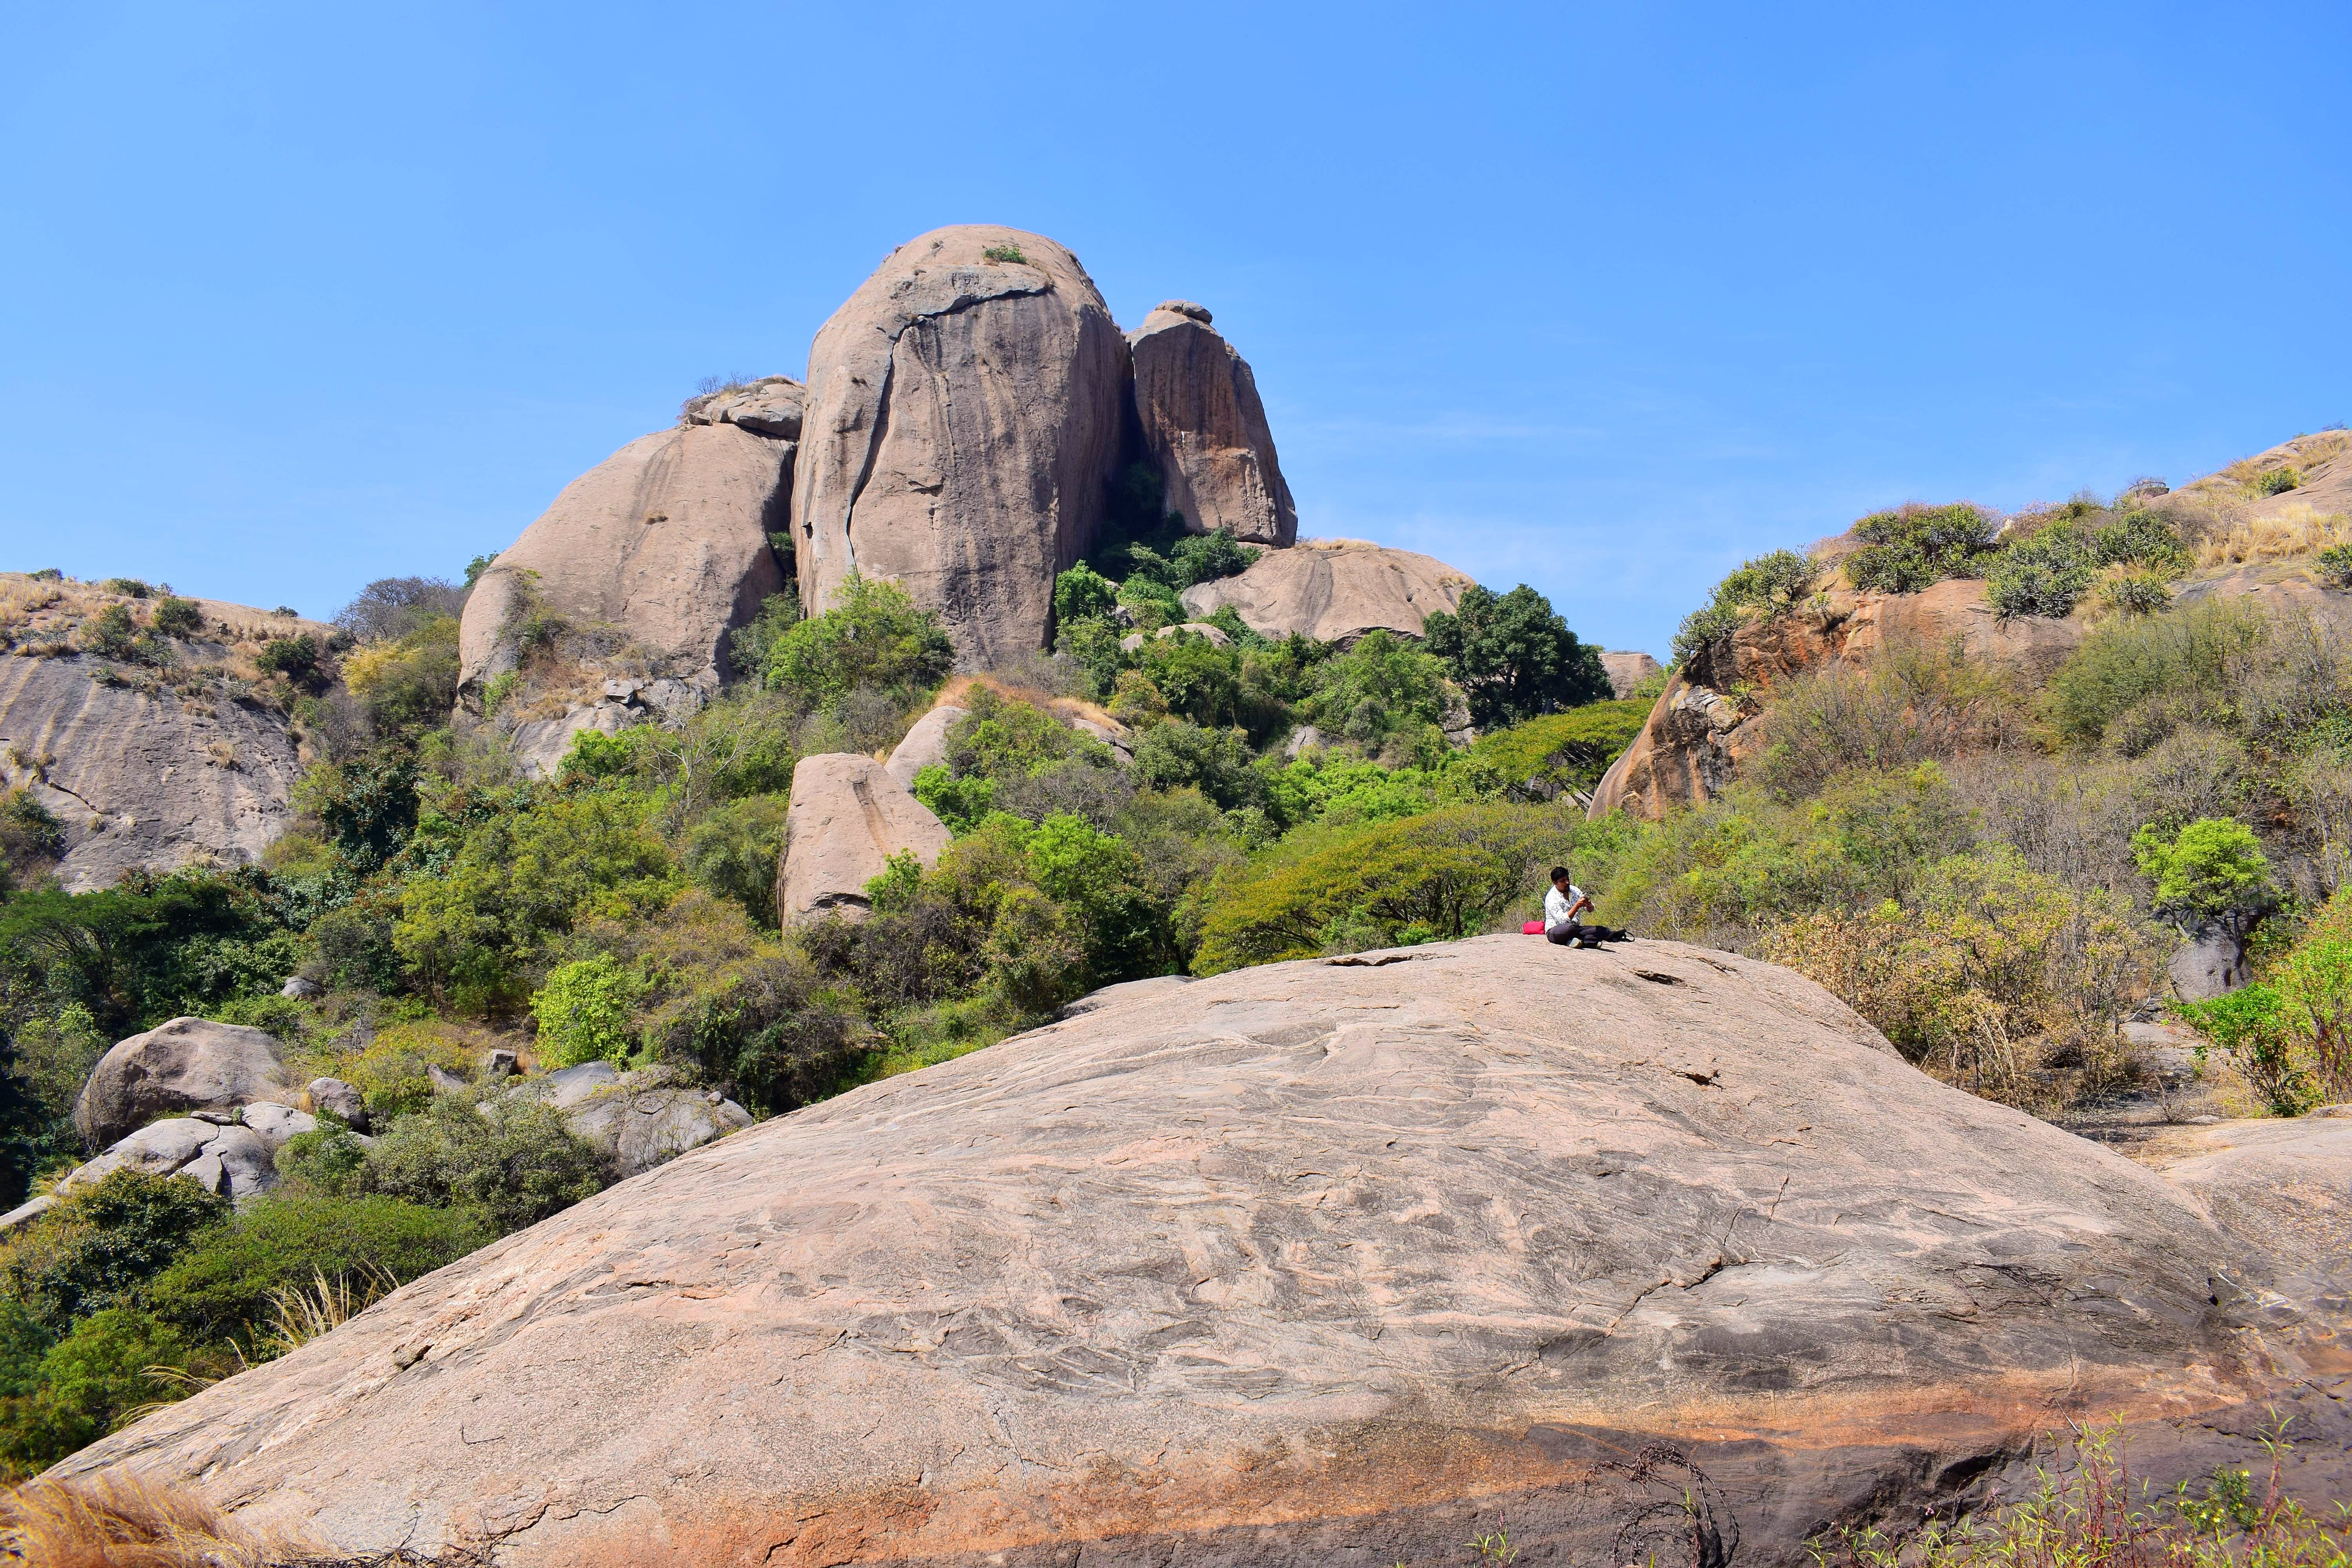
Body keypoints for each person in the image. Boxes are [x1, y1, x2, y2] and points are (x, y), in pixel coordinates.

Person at [1544, 866, 1598, 948]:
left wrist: (1589, 905)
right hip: (1557, 931)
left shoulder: (1574, 890)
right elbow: (1562, 921)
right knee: (1569, 928)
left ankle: (1579, 941)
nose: (1567, 883)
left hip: (1575, 928)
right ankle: (1588, 941)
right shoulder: (1551, 897)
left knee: (1598, 930)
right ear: (1555, 883)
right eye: (1563, 881)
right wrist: (1577, 906)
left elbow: (1590, 909)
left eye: (1568, 879)